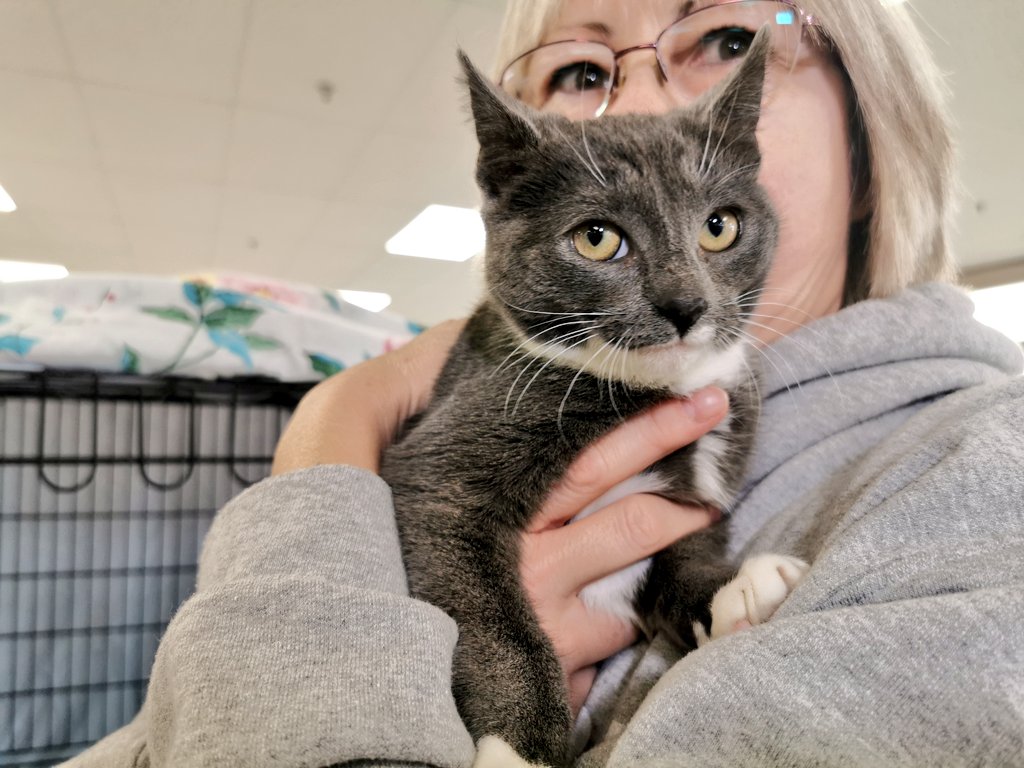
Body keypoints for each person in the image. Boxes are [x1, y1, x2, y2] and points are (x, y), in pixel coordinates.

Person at [63, 0, 1024, 765]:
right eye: (579, 70)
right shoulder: (516, 382)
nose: (644, 105)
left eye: (727, 37)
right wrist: (338, 429)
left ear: (875, 124)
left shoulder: (984, 467)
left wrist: (327, 459)